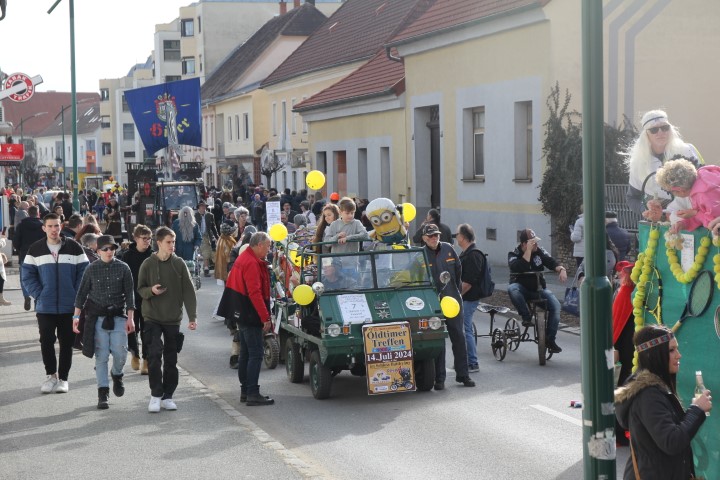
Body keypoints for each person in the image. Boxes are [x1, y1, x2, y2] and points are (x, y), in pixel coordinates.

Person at [615, 325, 711, 479]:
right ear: (655, 355)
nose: (678, 355)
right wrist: (696, 410)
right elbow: (672, 441)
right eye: (671, 350)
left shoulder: (655, 389)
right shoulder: (648, 395)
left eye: (677, 349)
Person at [22, 213, 89, 394]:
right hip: (45, 306)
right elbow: (27, 275)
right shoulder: (35, 249)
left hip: (69, 306)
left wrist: (76, 294)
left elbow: (85, 272)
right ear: (44, 228)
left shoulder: (75, 247)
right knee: (46, 341)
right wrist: (39, 294)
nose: (54, 229)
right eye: (50, 226)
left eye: (56, 226)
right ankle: (51, 376)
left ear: (61, 226)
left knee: (66, 343)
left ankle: (64, 379)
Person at [137, 226, 198, 412]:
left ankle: (168, 396)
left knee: (171, 359)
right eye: (169, 242)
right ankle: (155, 395)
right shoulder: (148, 263)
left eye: (174, 242)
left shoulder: (179, 263)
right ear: (159, 243)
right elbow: (140, 289)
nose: (172, 245)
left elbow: (189, 291)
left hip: (172, 318)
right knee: (154, 355)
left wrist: (192, 317)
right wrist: (151, 291)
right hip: (152, 316)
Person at [73, 235, 135, 409]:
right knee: (101, 356)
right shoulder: (91, 269)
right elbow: (81, 294)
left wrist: (131, 318)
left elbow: (130, 295)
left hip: (118, 317)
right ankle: (103, 392)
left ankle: (117, 374)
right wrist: (76, 317)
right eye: (105, 249)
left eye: (112, 248)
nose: (109, 251)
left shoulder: (123, 268)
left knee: (121, 353)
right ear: (98, 251)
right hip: (97, 318)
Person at [217, 231, 275, 406]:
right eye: (268, 246)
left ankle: (246, 391)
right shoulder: (251, 262)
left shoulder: (246, 258)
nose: (269, 250)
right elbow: (254, 293)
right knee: (255, 354)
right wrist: (266, 317)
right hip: (249, 313)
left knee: (246, 353)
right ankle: (252, 392)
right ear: (259, 245)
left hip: (242, 312)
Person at [422, 224, 475, 390]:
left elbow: (458, 273)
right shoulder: (420, 255)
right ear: (424, 238)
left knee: (458, 337)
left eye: (436, 235)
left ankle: (463, 375)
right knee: (438, 340)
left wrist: (456, 294)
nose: (434, 238)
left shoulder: (449, 249)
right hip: (433, 304)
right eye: (430, 236)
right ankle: (439, 379)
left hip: (452, 300)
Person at [626, 109, 703, 223]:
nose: (660, 132)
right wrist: (645, 209)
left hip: (690, 216)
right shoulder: (638, 162)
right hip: (658, 220)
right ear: (646, 134)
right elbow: (632, 198)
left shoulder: (686, 150)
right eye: (654, 130)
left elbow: (704, 182)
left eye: (665, 128)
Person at [507, 228, 567, 354]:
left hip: (539, 289)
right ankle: (526, 317)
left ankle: (550, 339)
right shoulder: (513, 254)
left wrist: (561, 269)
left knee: (556, 306)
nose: (536, 245)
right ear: (524, 244)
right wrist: (528, 251)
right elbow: (519, 267)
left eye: (536, 242)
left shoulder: (539, 251)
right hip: (521, 290)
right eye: (533, 242)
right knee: (512, 288)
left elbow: (550, 261)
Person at [117, 225, 153, 374]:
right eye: (144, 239)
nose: (147, 242)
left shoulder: (153, 255)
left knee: (147, 330)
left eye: (149, 238)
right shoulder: (127, 256)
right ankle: (135, 354)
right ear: (136, 239)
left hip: (148, 298)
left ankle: (146, 359)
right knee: (132, 329)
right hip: (130, 298)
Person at [653, 158, 720, 233]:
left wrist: (695, 213)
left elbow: (714, 224)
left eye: (671, 191)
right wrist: (684, 224)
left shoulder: (703, 194)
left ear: (680, 191)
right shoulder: (704, 175)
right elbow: (703, 215)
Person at [455, 223, 487, 374]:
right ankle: (465, 360)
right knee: (463, 328)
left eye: (457, 235)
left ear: (463, 237)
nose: (456, 237)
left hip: (469, 298)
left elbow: (468, 282)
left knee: (465, 328)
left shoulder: (474, 254)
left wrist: (457, 295)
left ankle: (472, 362)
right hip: (466, 297)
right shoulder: (467, 253)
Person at [14, 205, 45, 311]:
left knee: (24, 278)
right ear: (38, 213)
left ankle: (26, 296)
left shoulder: (21, 225)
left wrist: (20, 249)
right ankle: (37, 299)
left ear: (28, 213)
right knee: (40, 278)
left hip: (25, 254)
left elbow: (16, 242)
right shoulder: (43, 226)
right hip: (40, 255)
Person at [195, 200, 218, 277]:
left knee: (211, 252)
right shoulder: (195, 216)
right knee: (202, 253)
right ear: (199, 207)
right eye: (201, 206)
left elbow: (213, 227)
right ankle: (204, 269)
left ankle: (209, 269)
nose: (203, 208)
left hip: (208, 236)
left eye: (204, 206)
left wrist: (217, 237)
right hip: (199, 236)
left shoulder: (210, 215)